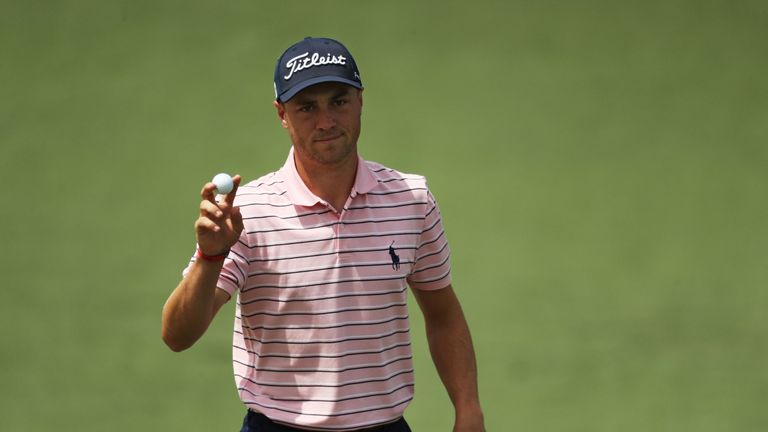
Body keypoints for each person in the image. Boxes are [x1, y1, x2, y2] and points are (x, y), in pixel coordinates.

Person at [162, 37, 485, 432]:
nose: (326, 121)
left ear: (361, 100)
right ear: (282, 114)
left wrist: (468, 409)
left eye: (339, 101)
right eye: (307, 107)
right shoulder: (247, 213)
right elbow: (177, 334)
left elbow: (443, 313)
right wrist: (210, 257)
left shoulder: (412, 199)